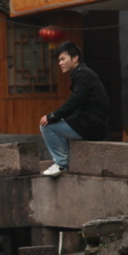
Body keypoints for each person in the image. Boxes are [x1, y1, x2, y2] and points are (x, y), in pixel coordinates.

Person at [39, 41, 109, 177]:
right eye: (59, 60)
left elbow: (75, 101)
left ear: (75, 58)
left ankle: (61, 163)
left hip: (91, 126)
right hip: (92, 124)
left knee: (46, 126)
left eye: (63, 59)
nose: (60, 63)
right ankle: (65, 160)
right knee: (60, 122)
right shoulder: (82, 74)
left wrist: (53, 116)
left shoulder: (83, 74)